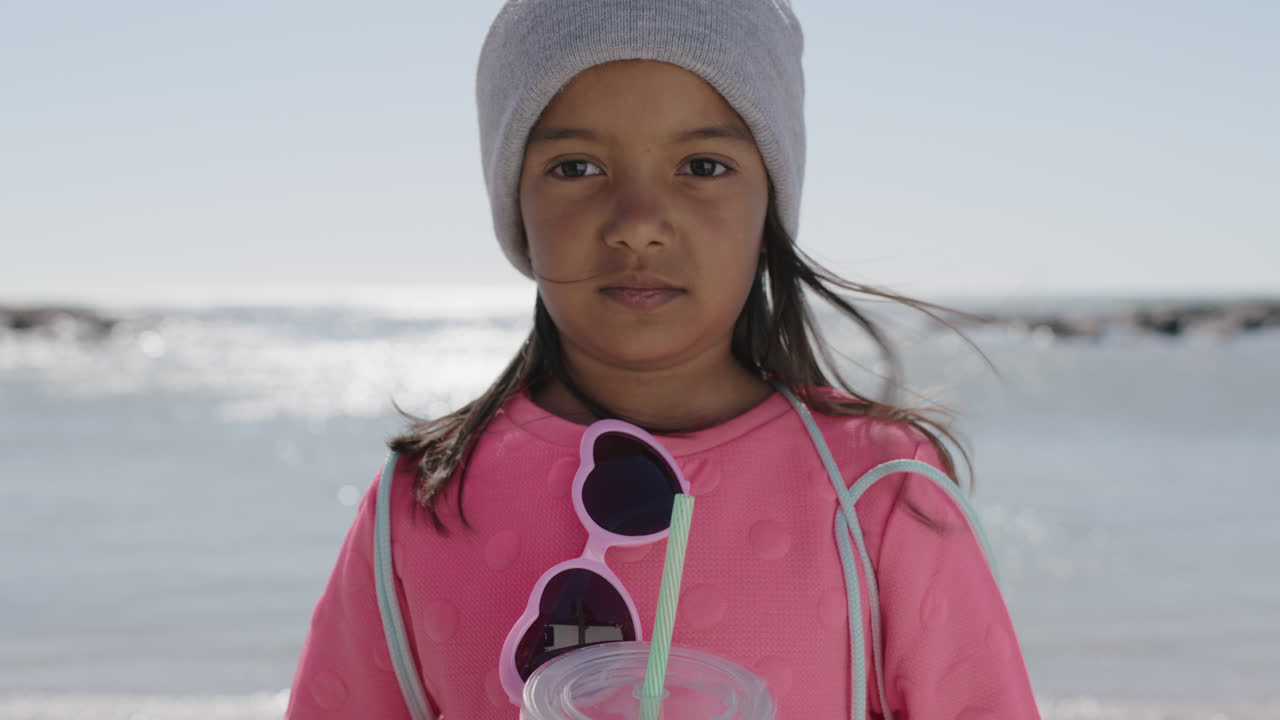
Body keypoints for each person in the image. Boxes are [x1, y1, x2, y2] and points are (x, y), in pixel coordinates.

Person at [287, 0, 1040, 717]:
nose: (639, 223)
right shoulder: (422, 499)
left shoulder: (874, 488)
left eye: (702, 166)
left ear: (768, 206)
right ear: (515, 202)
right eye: (576, 168)